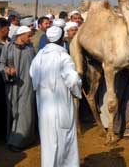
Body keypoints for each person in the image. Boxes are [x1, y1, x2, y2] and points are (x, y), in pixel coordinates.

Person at [30, 26, 82, 167]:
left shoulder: (39, 57)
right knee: (64, 140)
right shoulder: (63, 57)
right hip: (61, 108)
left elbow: (33, 76)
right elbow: (72, 80)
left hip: (44, 109)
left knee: (48, 143)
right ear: (61, 39)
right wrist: (77, 90)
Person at [0, 26, 37, 151]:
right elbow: (1, 64)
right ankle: (11, 139)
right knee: (13, 112)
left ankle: (19, 142)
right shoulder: (8, 47)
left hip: (27, 86)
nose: (30, 37)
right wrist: (7, 70)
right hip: (12, 86)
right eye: (28, 35)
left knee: (25, 112)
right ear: (20, 35)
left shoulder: (30, 49)